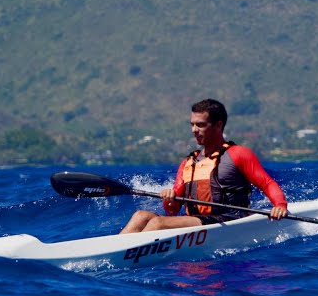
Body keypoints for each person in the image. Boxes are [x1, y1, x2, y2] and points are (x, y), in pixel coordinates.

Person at [120, 98, 289, 234]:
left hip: (228, 219)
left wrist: (280, 206)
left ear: (218, 125)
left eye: (200, 124)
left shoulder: (238, 154)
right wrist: (169, 198)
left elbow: (267, 183)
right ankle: (115, 250)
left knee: (157, 223)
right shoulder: (188, 163)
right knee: (140, 216)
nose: (194, 129)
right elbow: (172, 210)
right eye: (192, 124)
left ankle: (130, 257)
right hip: (196, 221)